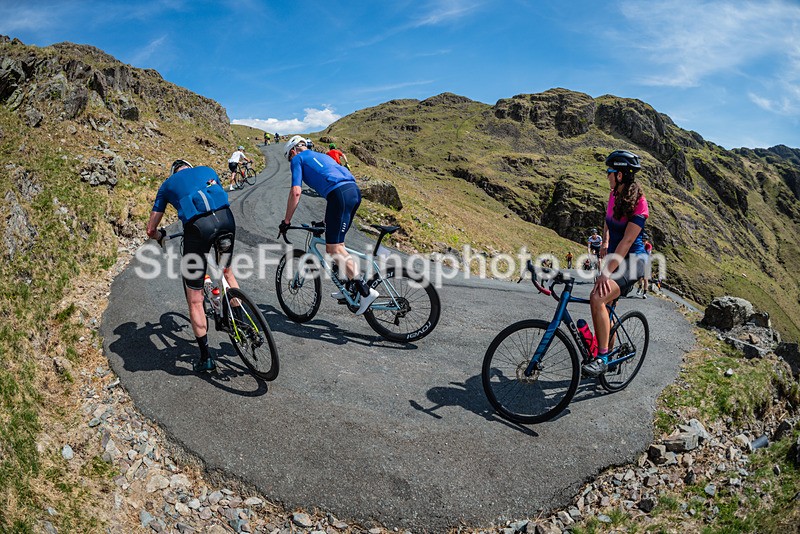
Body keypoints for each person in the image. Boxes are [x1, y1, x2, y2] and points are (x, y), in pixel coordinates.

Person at [146, 160, 239, 373]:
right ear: (190, 166)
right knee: (226, 273)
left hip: (198, 229)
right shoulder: (207, 169)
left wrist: (160, 236)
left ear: (174, 172)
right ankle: (242, 325)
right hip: (226, 220)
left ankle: (206, 358)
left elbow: (151, 230)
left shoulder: (167, 184)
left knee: (195, 299)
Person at [279, 135, 378, 315]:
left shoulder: (298, 159)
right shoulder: (322, 155)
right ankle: (349, 287)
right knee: (338, 246)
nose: (290, 161)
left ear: (293, 151)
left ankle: (365, 291)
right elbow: (333, 181)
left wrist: (286, 221)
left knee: (334, 250)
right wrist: (326, 220)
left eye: (289, 158)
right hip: (353, 192)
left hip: (339, 195)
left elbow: (296, 192)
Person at [583, 150, 649, 377]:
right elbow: (608, 220)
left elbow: (628, 241)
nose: (606, 176)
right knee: (607, 308)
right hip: (614, 256)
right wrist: (606, 242)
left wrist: (605, 273)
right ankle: (608, 356)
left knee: (597, 297)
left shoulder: (639, 203)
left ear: (620, 175)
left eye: (609, 172)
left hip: (634, 260)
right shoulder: (613, 195)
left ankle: (601, 357)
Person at [636, 234, 653, 298]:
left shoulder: (648, 246)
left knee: (646, 279)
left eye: (644, 241)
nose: (643, 242)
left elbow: (648, 254)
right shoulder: (640, 245)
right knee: (639, 277)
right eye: (642, 240)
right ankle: (640, 287)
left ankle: (644, 293)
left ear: (647, 241)